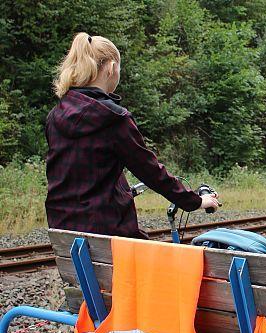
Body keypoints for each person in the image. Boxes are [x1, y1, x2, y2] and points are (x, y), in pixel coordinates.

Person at [45, 32, 219, 239]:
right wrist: (195, 201)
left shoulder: (55, 116)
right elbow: (150, 171)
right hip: (109, 233)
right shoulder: (113, 118)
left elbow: (81, 173)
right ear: (111, 68)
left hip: (63, 231)